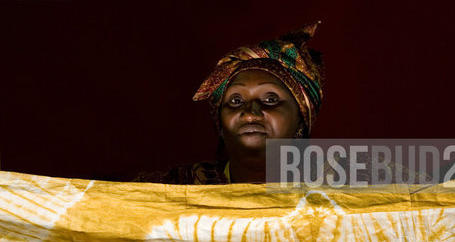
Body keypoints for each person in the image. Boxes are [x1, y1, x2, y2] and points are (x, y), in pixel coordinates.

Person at [134, 21, 324, 184]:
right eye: (235, 100)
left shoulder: (338, 196)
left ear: (301, 119)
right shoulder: (169, 192)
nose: (250, 113)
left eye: (270, 99)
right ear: (220, 126)